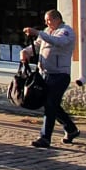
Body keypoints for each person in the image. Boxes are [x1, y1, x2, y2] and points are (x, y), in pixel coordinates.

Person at [28, 9, 80, 147]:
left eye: (49, 20)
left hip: (60, 75)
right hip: (44, 73)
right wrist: (25, 52)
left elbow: (59, 42)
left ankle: (45, 138)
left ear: (57, 19)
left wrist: (38, 33)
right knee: (51, 104)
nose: (46, 23)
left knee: (50, 105)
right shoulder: (47, 31)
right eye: (46, 20)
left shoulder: (66, 31)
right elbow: (38, 45)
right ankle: (71, 129)